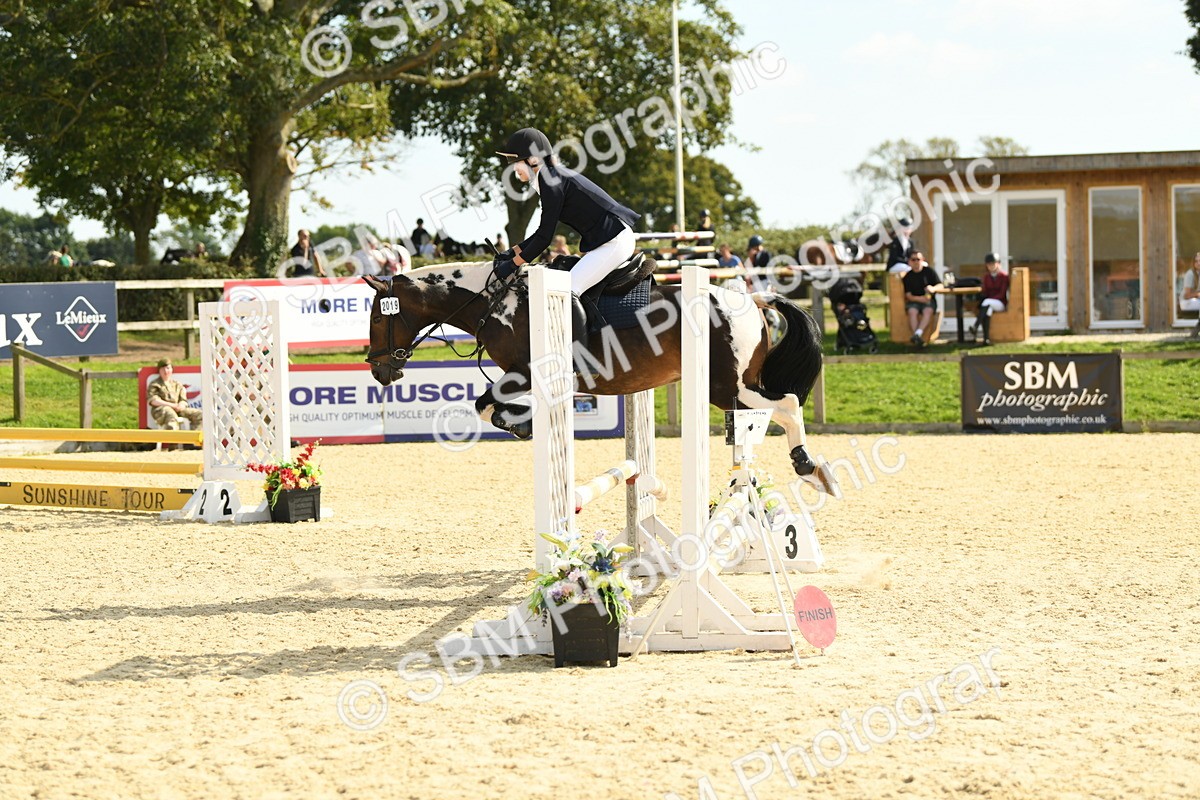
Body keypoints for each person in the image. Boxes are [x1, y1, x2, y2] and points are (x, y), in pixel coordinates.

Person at [493, 127, 640, 348]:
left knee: (567, 291)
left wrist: (513, 265)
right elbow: (540, 234)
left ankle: (581, 362)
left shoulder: (551, 180)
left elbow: (544, 238)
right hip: (611, 239)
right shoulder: (551, 177)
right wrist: (511, 252)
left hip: (614, 241)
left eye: (516, 162)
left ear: (533, 160)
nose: (514, 168)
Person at [147, 358, 202, 434]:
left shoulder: (177, 384)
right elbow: (153, 401)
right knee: (171, 417)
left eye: (168, 368)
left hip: (177, 409)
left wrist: (181, 405)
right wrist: (172, 405)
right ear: (159, 371)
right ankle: (173, 444)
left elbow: (183, 399)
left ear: (172, 369)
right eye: (163, 369)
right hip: (161, 410)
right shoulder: (155, 384)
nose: (166, 371)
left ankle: (194, 441)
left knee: (199, 415)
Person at [901, 251, 943, 347]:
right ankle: (917, 338)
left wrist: (933, 288)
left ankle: (917, 334)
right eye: (913, 259)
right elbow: (908, 295)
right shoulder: (908, 277)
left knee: (927, 311)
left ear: (922, 260)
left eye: (918, 259)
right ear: (909, 262)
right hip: (914, 301)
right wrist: (921, 299)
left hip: (929, 302)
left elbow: (940, 285)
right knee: (912, 311)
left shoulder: (929, 272)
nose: (916, 262)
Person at [972, 253, 1010, 345]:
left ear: (998, 264)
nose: (991, 266)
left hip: (1000, 303)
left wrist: (989, 299)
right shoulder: (986, 277)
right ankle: (986, 339)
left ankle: (976, 326)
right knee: (987, 311)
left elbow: (1002, 294)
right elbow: (985, 291)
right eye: (989, 264)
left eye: (993, 264)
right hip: (989, 303)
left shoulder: (1004, 276)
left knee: (987, 302)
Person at [1180, 252, 1200, 338]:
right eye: (1196, 261)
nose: (1198, 263)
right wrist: (1198, 294)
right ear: (1193, 263)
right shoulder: (1190, 274)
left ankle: (1194, 333)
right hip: (1187, 302)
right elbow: (1186, 295)